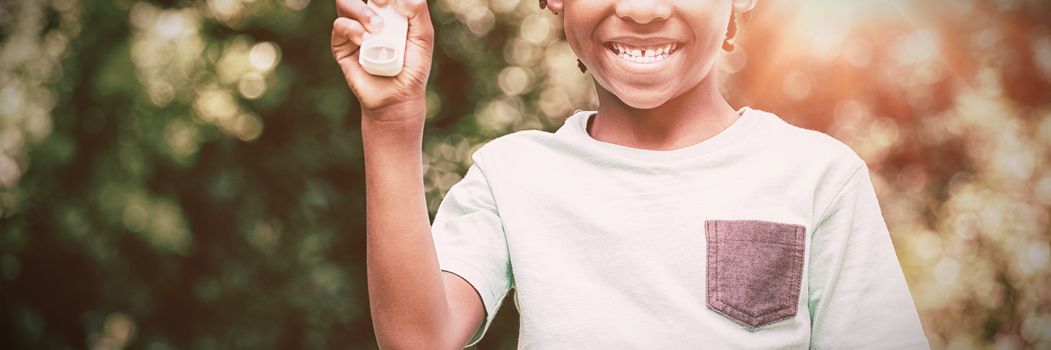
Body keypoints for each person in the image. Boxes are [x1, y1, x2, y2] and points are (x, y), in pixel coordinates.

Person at [331, 0, 931, 348]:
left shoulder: (817, 177)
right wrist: (392, 122)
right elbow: (419, 341)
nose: (642, 9)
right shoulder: (512, 175)